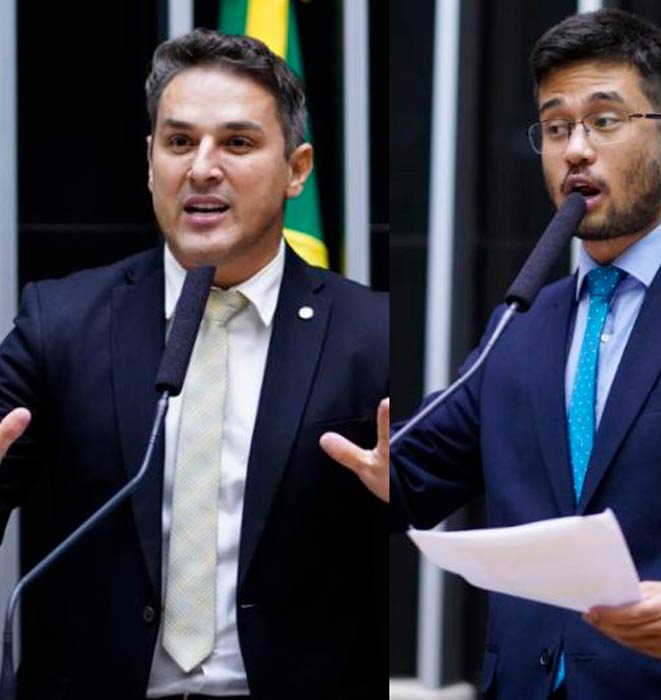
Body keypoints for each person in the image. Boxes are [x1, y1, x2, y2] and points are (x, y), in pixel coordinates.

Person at [377, 8, 661, 700]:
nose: (576, 149)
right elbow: (410, 471)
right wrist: (370, 463)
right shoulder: (521, 322)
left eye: (604, 121)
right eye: (556, 127)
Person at [0, 29, 388, 699]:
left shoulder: (371, 334)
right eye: (179, 143)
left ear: (297, 168)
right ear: (151, 162)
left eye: (237, 143)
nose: (202, 168)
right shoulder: (59, 322)